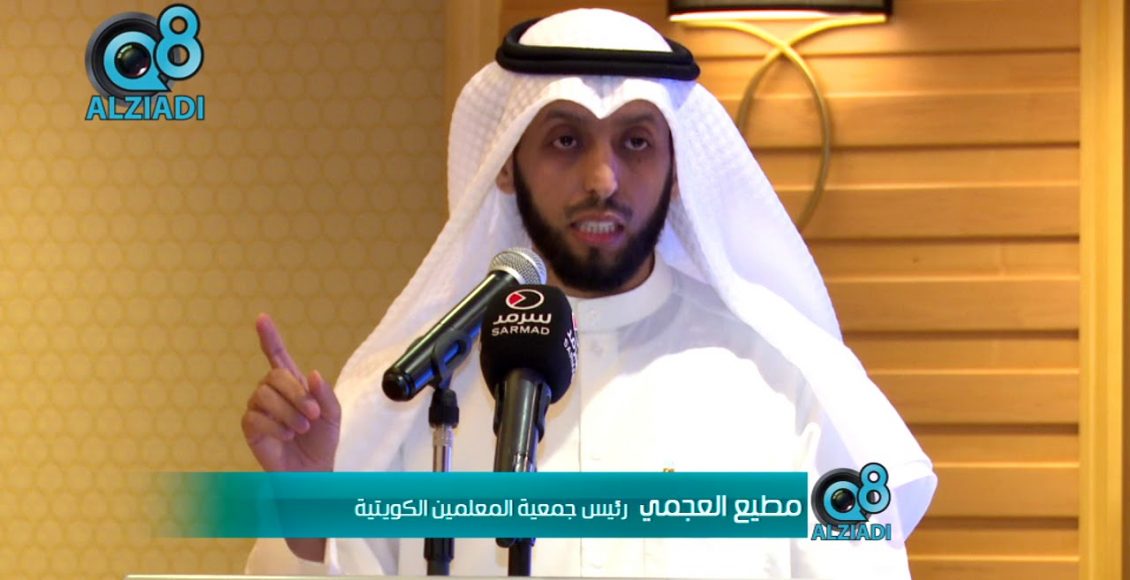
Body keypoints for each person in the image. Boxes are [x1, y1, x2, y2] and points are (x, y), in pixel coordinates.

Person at [241, 8, 936, 578]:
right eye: (566, 140)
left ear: (678, 170)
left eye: (636, 143)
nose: (602, 179)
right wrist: (310, 510)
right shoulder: (426, 389)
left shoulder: (783, 386)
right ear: (506, 165)